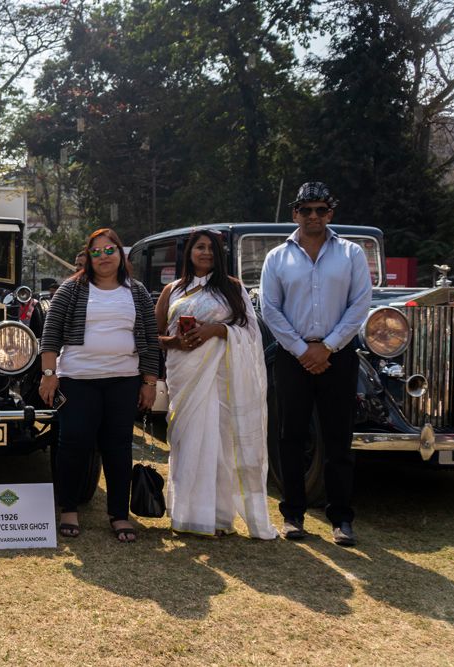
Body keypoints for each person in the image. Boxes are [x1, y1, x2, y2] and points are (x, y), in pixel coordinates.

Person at [260, 182, 372, 546]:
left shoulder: (351, 253)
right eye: (306, 210)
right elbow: (270, 308)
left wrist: (328, 347)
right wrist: (301, 349)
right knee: (291, 437)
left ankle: (341, 518)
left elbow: (359, 304)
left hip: (337, 357)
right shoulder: (277, 257)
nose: (313, 216)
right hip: (292, 358)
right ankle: (293, 515)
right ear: (294, 213)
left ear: (330, 213)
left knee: (339, 439)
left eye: (320, 210)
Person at [39, 228, 161, 542]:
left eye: (110, 250)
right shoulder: (71, 289)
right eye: (97, 252)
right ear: (88, 257)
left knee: (118, 446)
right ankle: (69, 508)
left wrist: (149, 382)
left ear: (121, 254)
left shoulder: (136, 292)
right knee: (74, 443)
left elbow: (149, 339)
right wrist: (49, 374)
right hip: (78, 380)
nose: (103, 257)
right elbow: (51, 333)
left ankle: (119, 515)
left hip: (123, 380)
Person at [155, 229, 277, 540]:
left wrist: (216, 331)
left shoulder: (233, 289)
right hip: (185, 379)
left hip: (223, 380)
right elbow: (155, 338)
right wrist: (177, 341)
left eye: (212, 248)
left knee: (221, 445)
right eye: (200, 247)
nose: (206, 252)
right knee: (187, 443)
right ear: (189, 252)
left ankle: (220, 517)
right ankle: (187, 516)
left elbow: (250, 334)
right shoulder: (172, 291)